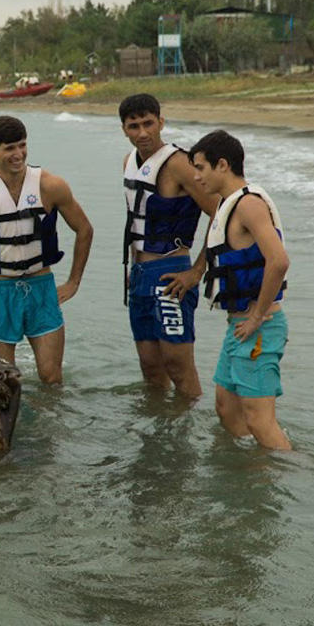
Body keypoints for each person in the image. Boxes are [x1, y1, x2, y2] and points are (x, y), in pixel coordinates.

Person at [0, 116, 93, 384]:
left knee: (51, 377)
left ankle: (52, 426)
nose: (18, 154)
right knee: (3, 381)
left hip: (41, 287)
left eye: (22, 146)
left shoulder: (50, 186)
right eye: (9, 148)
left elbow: (85, 230)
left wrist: (74, 282)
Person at [186, 130, 292, 450]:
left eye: (200, 167)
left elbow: (279, 261)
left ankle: (286, 475)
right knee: (226, 408)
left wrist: (258, 316)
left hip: (260, 327)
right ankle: (254, 472)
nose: (196, 175)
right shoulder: (225, 205)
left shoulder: (249, 205)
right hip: (239, 327)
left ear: (222, 165)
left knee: (260, 420)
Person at [119, 93, 220, 398]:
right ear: (124, 129)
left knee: (178, 365)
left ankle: (189, 430)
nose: (143, 132)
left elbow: (221, 213)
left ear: (161, 122)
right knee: (150, 367)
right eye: (134, 126)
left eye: (148, 123)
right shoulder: (128, 163)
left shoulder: (179, 164)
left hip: (171, 274)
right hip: (139, 276)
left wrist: (197, 271)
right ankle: (159, 434)